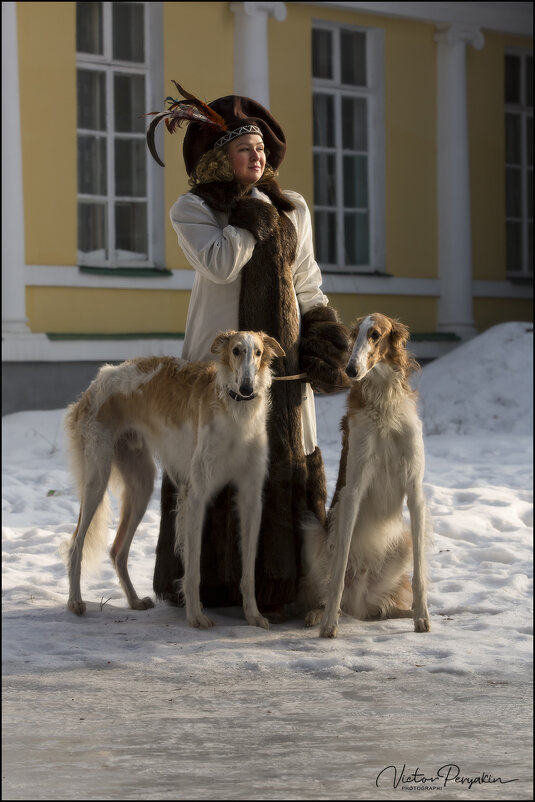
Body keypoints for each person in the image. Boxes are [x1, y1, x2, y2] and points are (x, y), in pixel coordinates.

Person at [146, 82, 349, 615]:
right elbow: (217, 264)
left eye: (260, 148)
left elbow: (307, 281)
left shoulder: (293, 207)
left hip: (279, 361)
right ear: (220, 156)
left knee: (285, 454)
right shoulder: (193, 209)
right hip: (222, 361)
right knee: (209, 459)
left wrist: (323, 332)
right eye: (243, 148)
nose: (256, 155)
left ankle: (285, 585)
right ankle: (208, 585)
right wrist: (250, 219)